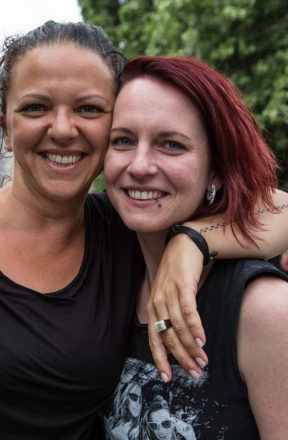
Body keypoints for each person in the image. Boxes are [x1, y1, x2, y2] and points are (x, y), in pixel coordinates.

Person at [0, 20, 286, 439]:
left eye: (89, 109)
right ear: (5, 124)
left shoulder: (126, 234)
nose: (62, 129)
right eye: (36, 107)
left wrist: (191, 244)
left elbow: (278, 208)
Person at [102, 55, 288, 438]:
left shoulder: (266, 310)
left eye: (171, 145)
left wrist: (193, 241)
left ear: (216, 169)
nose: (139, 165)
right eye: (122, 140)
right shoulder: (103, 257)